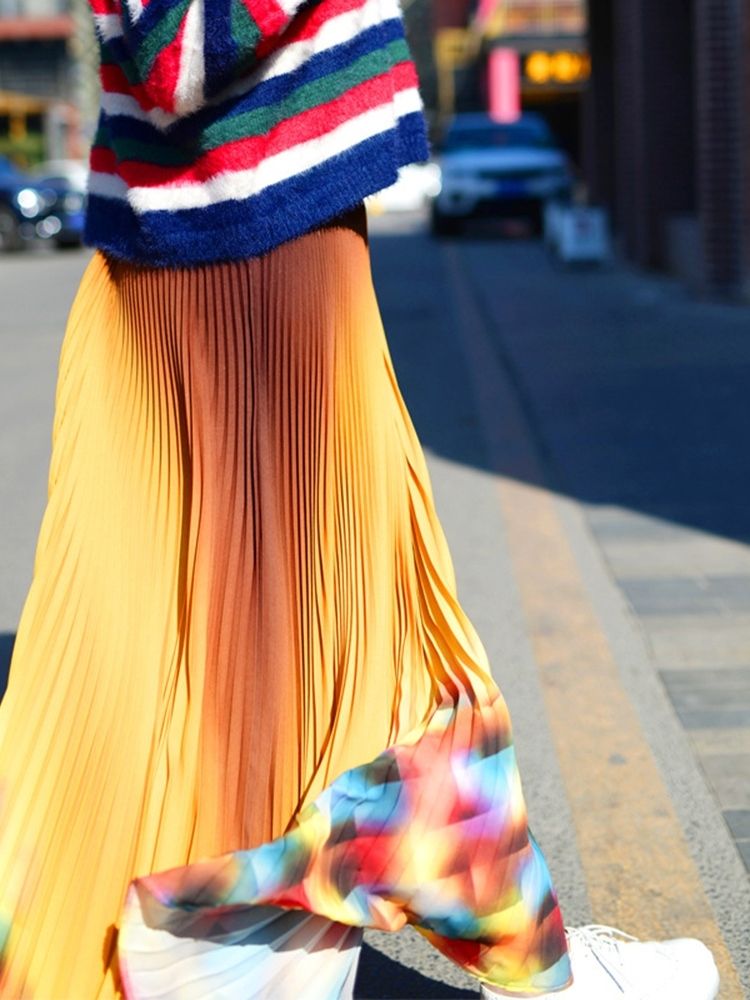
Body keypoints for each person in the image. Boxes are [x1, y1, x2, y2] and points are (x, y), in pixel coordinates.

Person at [0, 0, 720, 996]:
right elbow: (184, 46)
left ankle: (248, 948)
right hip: (252, 232)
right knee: (367, 645)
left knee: (233, 659)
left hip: (220, 229)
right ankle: (524, 958)